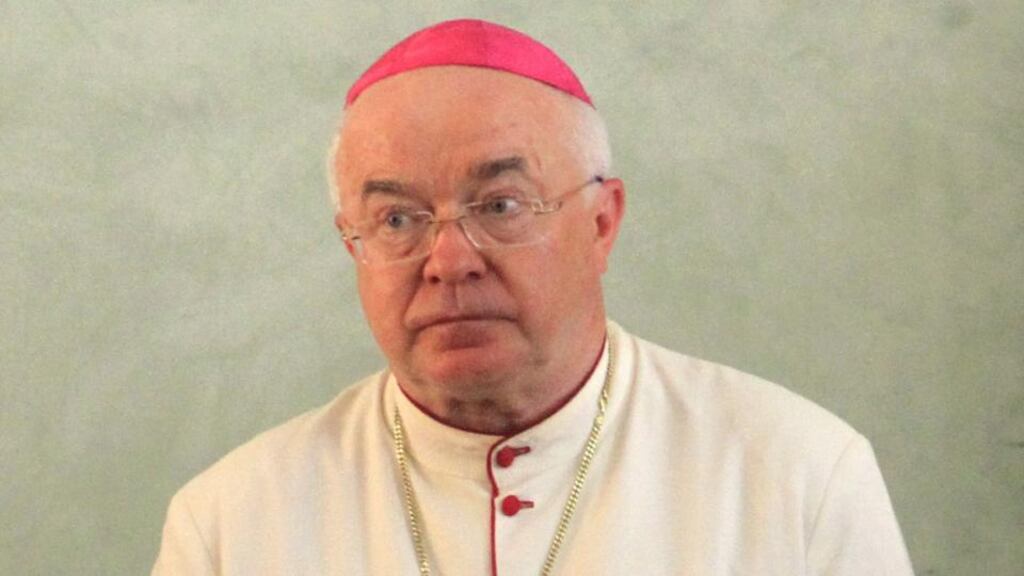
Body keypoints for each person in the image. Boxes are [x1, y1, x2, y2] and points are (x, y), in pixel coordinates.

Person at [152, 19, 915, 576]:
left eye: (502, 205)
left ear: (602, 222)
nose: (449, 262)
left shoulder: (801, 477)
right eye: (396, 219)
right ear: (350, 239)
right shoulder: (229, 524)